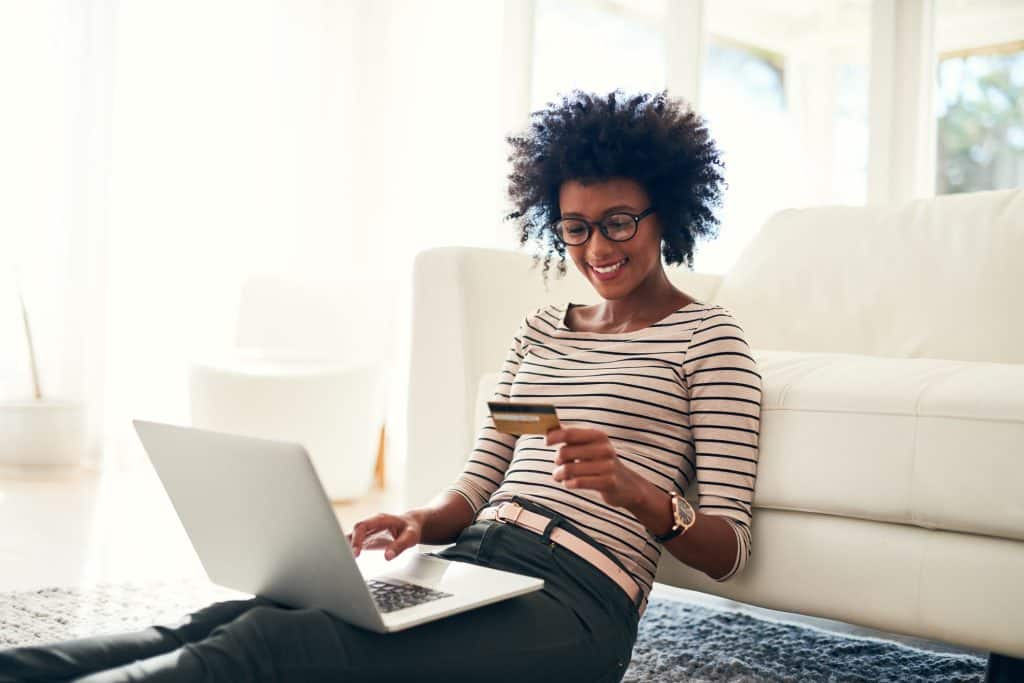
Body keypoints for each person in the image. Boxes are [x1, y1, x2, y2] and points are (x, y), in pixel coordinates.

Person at [0, 89, 762, 683]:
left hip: (577, 604)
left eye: (620, 222)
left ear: (668, 211)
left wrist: (634, 490)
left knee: (275, 648)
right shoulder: (542, 329)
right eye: (575, 227)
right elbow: (478, 482)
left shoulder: (708, 338)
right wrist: (420, 521)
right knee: (231, 620)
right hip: (468, 562)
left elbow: (726, 548)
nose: (596, 247)